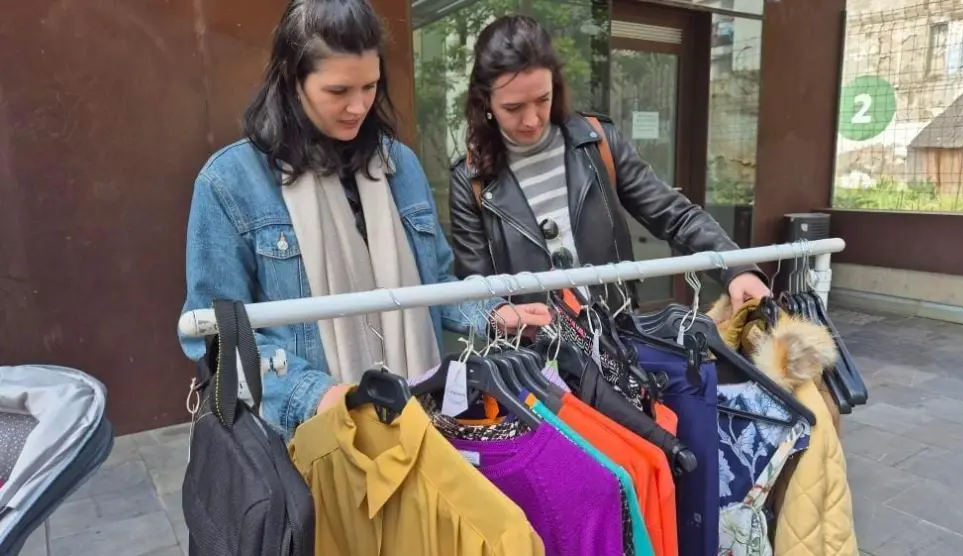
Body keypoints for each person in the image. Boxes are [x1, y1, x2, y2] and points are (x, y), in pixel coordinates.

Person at [179, 0, 550, 441]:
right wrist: (316, 396)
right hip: (308, 444)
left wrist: (492, 313)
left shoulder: (400, 167)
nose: (358, 106)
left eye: (370, 86)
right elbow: (215, 339)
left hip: (419, 426)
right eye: (338, 91)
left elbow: (433, 286)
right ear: (291, 77)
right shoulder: (230, 183)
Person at [449, 15, 770, 313]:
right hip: (532, 361)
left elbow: (674, 215)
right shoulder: (471, 180)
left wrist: (736, 269)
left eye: (542, 100)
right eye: (514, 107)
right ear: (485, 101)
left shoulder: (597, 141)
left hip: (617, 339)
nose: (531, 119)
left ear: (555, 88)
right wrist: (498, 314)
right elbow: (474, 291)